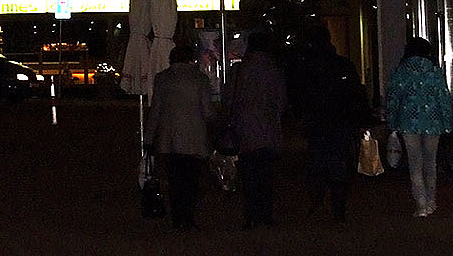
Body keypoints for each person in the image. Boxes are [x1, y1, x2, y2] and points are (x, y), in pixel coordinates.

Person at [293, 24, 371, 221]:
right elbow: (355, 93)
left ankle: (318, 202)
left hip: (319, 123)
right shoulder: (342, 65)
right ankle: (338, 208)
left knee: (318, 164)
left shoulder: (307, 67)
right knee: (339, 165)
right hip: (341, 122)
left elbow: (300, 96)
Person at [383, 36, 453, 217]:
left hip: (408, 122)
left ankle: (421, 204)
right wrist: (447, 123)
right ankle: (431, 201)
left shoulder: (401, 71)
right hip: (433, 122)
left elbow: (393, 99)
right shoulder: (434, 71)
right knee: (431, 162)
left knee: (415, 163)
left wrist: (391, 123)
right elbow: (443, 98)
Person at [147, 43, 215, 230]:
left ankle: (177, 217)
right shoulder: (200, 79)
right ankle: (188, 217)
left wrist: (149, 137)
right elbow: (208, 112)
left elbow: (156, 110)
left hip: (169, 139)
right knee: (191, 180)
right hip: (195, 138)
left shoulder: (162, 79)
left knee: (174, 180)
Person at [225, 30, 287, 229]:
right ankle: (265, 214)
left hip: (244, 130)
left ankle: (250, 214)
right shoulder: (274, 70)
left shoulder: (239, 71)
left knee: (249, 175)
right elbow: (281, 101)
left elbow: (228, 100)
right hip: (268, 129)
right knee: (266, 175)